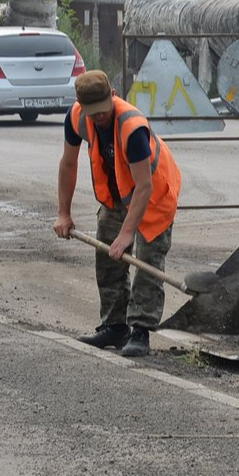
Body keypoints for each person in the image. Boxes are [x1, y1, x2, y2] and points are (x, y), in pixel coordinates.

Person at [53, 70, 182, 358]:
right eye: (93, 113)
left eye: (103, 110)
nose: (99, 117)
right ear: (81, 105)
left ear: (113, 95)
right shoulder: (75, 118)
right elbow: (68, 164)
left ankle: (140, 330)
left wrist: (126, 235)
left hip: (155, 193)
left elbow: (144, 186)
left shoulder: (132, 127)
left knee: (148, 260)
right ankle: (114, 326)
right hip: (117, 194)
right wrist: (64, 212)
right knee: (107, 255)